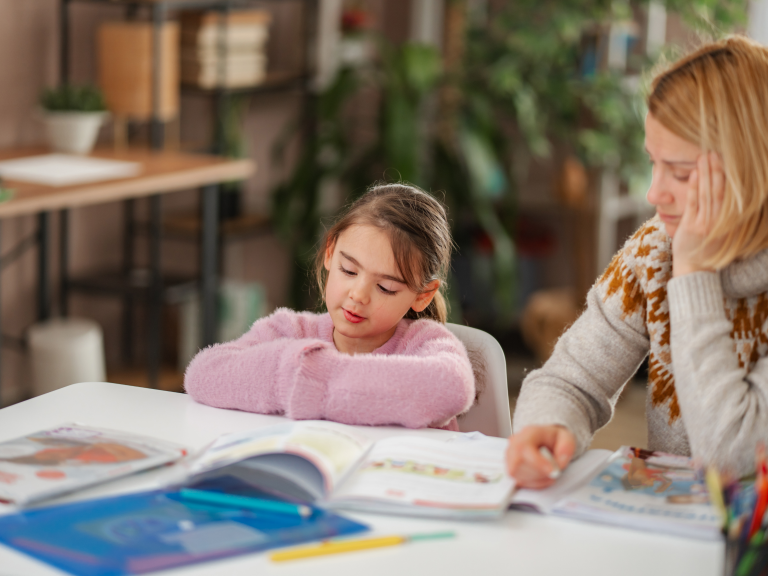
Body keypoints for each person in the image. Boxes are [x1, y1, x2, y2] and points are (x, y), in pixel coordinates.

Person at [507, 35, 768, 486]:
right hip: (681, 529)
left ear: (753, 172)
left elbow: (732, 458)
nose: (654, 194)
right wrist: (547, 425)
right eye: (654, 162)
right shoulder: (654, 252)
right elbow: (571, 378)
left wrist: (694, 276)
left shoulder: (680, 259)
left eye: (682, 174)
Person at [184, 183, 475, 431]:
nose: (358, 295)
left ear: (422, 296)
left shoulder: (425, 342)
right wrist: (298, 370)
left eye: (386, 287)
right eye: (349, 270)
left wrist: (311, 379)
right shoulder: (289, 330)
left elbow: (452, 387)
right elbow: (203, 373)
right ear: (330, 252)